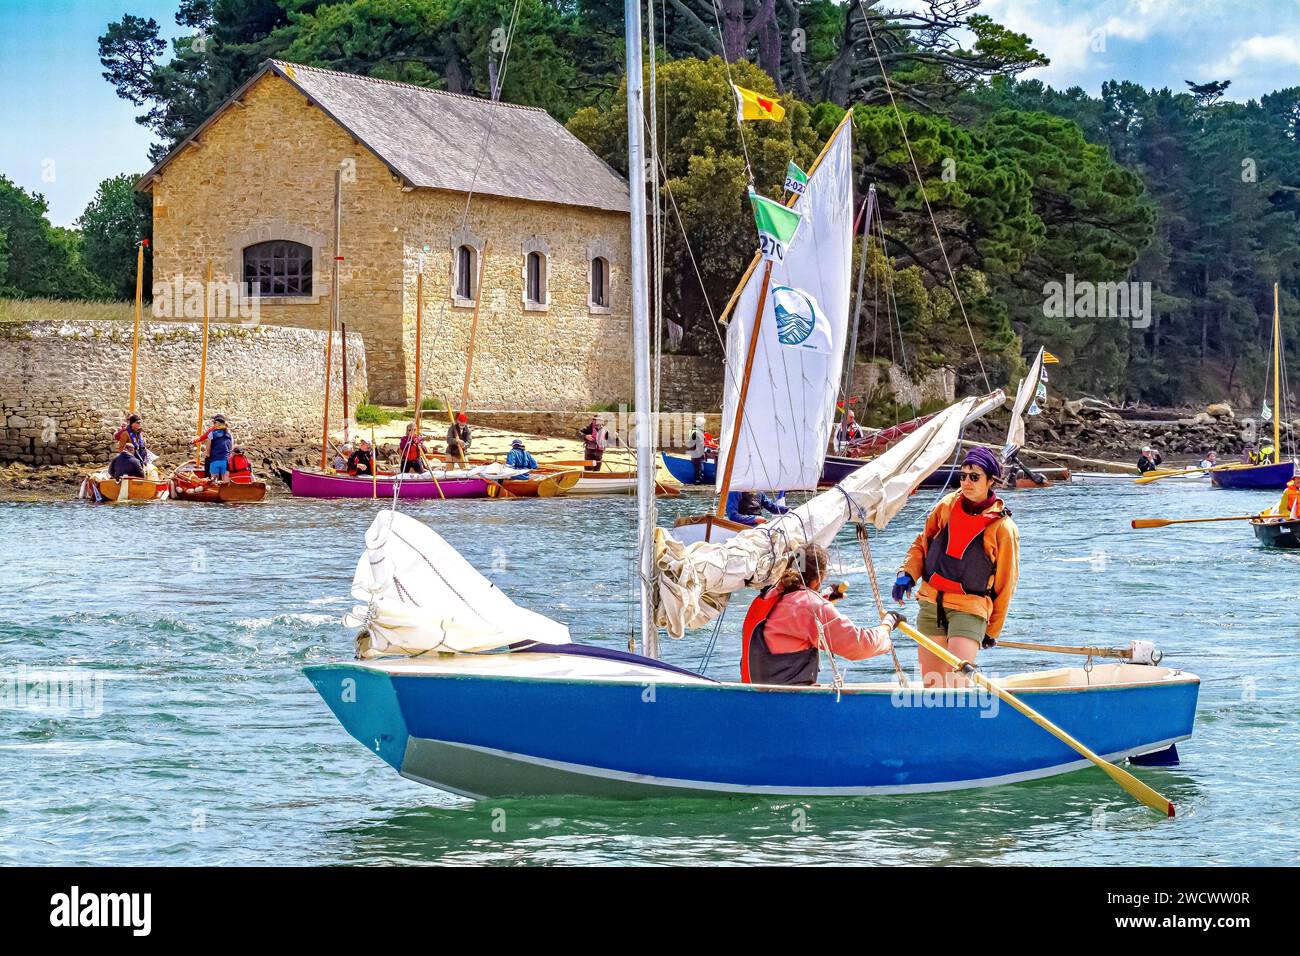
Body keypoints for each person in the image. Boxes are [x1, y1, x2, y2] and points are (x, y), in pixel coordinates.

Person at [892, 446, 1020, 688]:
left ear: (991, 481)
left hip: (969, 609)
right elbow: (923, 543)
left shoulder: (1004, 528)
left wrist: (992, 631)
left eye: (974, 477)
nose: (967, 482)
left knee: (957, 686)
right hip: (931, 605)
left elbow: (1006, 583)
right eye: (963, 476)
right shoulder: (947, 506)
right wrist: (907, 574)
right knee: (932, 686)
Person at [741, 543, 903, 685]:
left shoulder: (766, 598)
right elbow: (858, 645)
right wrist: (887, 626)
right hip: (787, 702)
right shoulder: (812, 607)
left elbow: (795, 613)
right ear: (819, 578)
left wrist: (824, 596)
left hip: (755, 698)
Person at [193, 414, 234, 483]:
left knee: (214, 482)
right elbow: (231, 449)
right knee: (225, 483)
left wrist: (207, 457)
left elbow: (207, 450)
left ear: (216, 424)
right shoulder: (230, 435)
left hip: (215, 460)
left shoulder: (211, 434)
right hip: (225, 461)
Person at [687, 416, 709, 484]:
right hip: (697, 454)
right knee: (699, 468)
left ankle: (698, 480)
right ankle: (697, 481)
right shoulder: (697, 433)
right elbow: (700, 444)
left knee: (699, 467)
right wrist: (706, 449)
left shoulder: (696, 431)